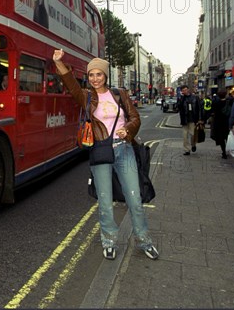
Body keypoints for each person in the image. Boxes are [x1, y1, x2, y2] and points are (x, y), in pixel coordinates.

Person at [53, 50, 159, 261]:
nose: (95, 78)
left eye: (98, 74)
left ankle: (144, 241)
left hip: (124, 150)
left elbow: (134, 117)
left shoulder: (119, 94)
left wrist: (127, 129)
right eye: (91, 75)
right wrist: (58, 62)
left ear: (105, 75)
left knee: (135, 199)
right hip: (101, 150)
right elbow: (70, 83)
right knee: (104, 201)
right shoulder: (87, 96)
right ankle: (109, 242)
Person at [177, 85, 203, 155]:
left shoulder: (195, 97)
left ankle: (193, 145)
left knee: (193, 134)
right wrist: (181, 99)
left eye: (185, 90)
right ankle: (187, 150)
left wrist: (200, 119)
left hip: (193, 119)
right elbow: (178, 107)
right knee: (185, 136)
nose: (184, 91)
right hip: (184, 120)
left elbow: (199, 109)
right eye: (183, 90)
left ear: (188, 90)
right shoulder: (181, 98)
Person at [210, 90, 232, 158]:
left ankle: (224, 152)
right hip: (226, 122)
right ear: (225, 95)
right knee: (227, 136)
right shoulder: (228, 102)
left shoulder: (216, 102)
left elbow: (212, 112)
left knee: (221, 138)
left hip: (218, 122)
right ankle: (228, 150)